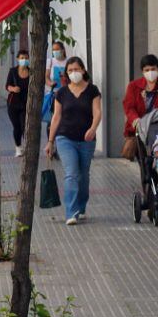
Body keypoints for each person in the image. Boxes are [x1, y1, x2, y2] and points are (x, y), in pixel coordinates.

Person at [45, 56, 102, 226]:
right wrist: (50, 141)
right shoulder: (61, 93)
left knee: (83, 175)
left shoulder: (92, 90)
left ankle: (81, 205)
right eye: (70, 70)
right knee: (71, 174)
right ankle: (71, 212)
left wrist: (93, 129)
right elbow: (56, 117)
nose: (74, 73)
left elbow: (97, 112)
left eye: (76, 69)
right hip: (65, 138)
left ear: (83, 70)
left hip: (86, 139)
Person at [5, 49, 31, 157]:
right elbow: (7, 86)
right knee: (17, 126)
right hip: (13, 104)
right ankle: (18, 148)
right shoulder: (13, 71)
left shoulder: (32, 72)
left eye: (26, 58)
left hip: (26, 104)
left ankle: (27, 146)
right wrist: (13, 88)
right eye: (22, 58)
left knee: (24, 126)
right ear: (17, 59)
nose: (24, 60)